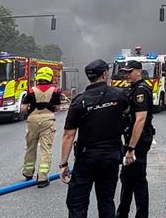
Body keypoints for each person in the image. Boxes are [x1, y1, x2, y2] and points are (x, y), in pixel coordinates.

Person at [60, 60, 129, 218]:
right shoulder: (118, 95)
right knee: (106, 200)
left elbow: (68, 135)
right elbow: (128, 114)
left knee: (77, 203)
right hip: (111, 157)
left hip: (86, 158)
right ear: (104, 74)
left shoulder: (79, 101)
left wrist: (63, 164)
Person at [117, 60, 154, 218]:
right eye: (125, 72)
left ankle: (141, 215)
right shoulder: (133, 88)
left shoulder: (140, 90)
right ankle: (122, 213)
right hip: (132, 138)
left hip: (138, 141)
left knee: (138, 180)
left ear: (138, 71)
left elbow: (140, 120)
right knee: (127, 178)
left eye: (129, 72)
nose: (126, 75)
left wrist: (131, 148)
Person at [21, 66, 62, 187]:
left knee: (30, 147)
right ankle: (43, 177)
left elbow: (23, 108)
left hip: (32, 120)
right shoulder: (55, 91)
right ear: (50, 78)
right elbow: (57, 107)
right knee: (45, 148)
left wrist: (28, 111)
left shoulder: (31, 91)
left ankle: (28, 172)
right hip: (48, 120)